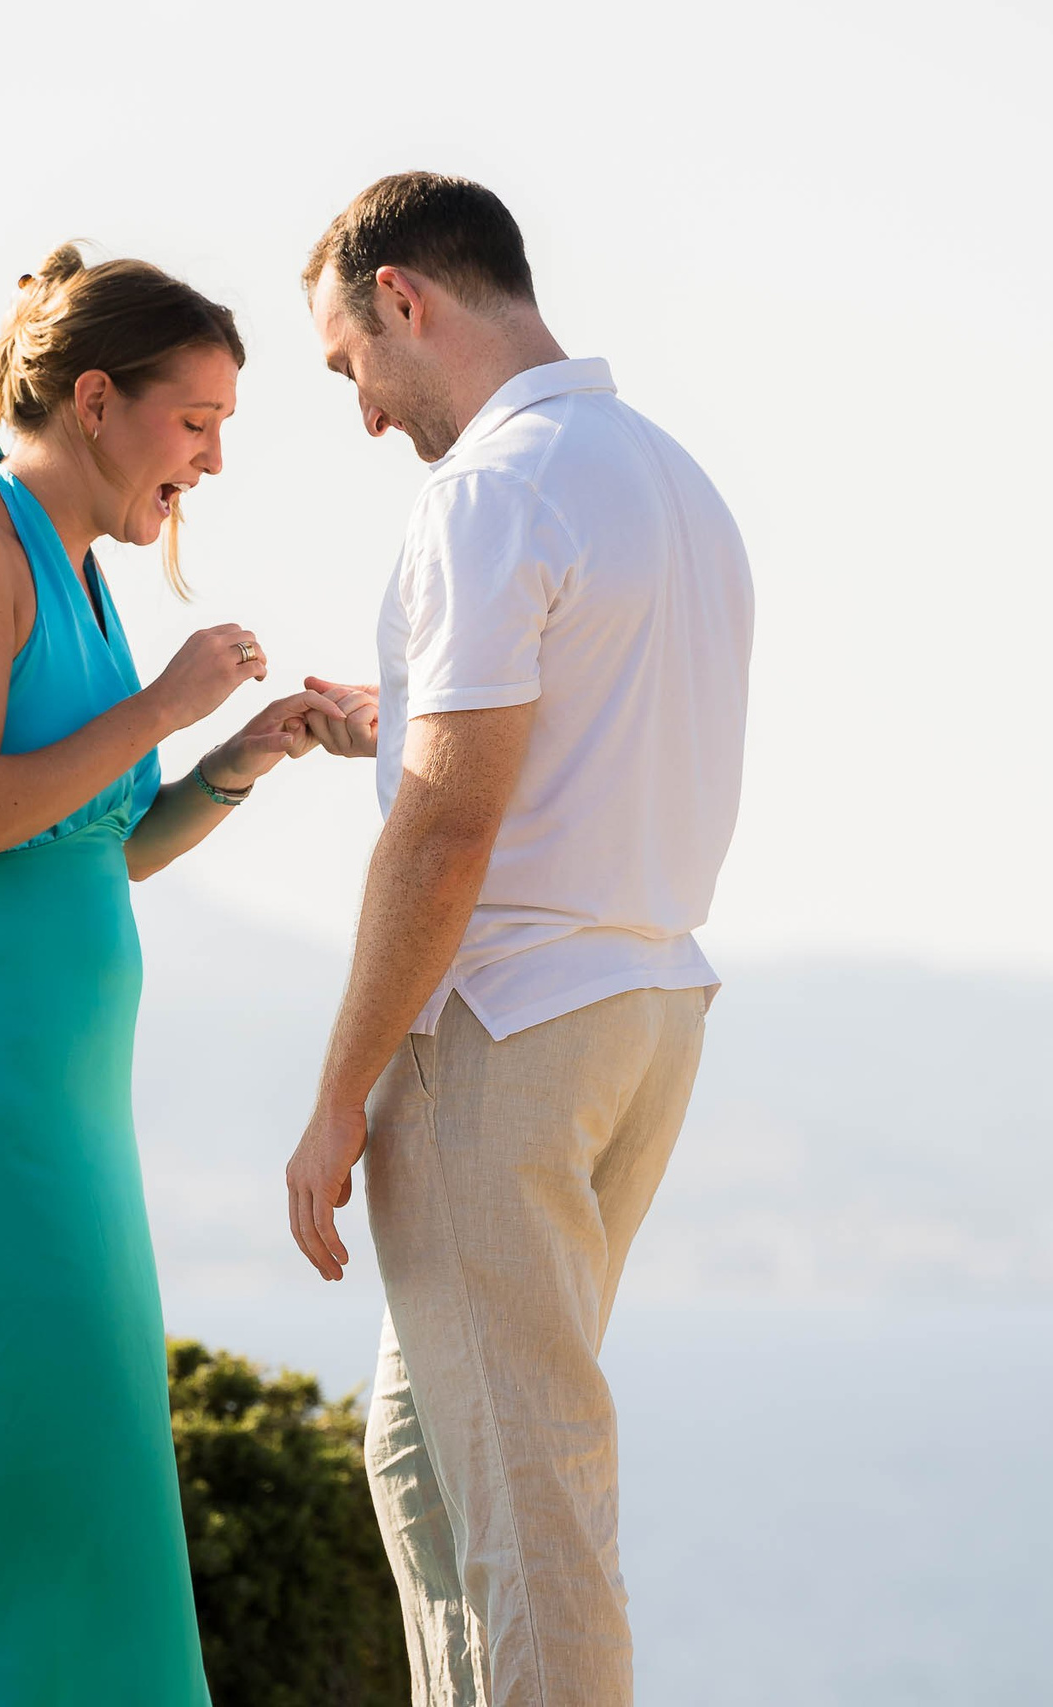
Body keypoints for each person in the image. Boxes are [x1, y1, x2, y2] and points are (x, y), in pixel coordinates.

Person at [0, 243, 336, 1707]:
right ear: (98, 400)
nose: (214, 461)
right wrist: (170, 700)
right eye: (199, 422)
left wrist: (239, 753)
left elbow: (93, 845)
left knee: (81, 1481)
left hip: (60, 1104)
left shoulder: (83, 573)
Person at [285, 174, 757, 1707]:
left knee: (525, 1493)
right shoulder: (668, 476)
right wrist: (394, 718)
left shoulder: (491, 492)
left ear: (403, 298)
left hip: (506, 1028)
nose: (360, 416)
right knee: (427, 1462)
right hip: (642, 1015)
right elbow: (579, 731)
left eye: (348, 366)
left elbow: (446, 828)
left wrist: (337, 1094)